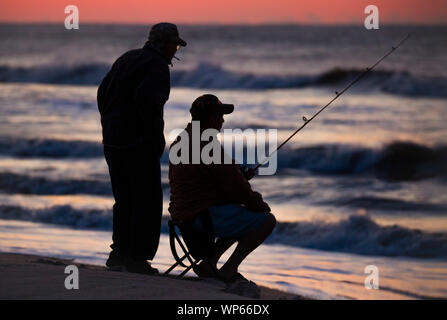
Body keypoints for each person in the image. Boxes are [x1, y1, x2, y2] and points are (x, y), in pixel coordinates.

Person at [97, 23, 186, 274]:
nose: (175, 50)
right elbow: (149, 103)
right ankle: (136, 258)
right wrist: (153, 138)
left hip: (113, 141)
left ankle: (119, 254)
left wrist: (110, 123)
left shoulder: (127, 58)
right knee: (147, 199)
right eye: (175, 45)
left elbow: (102, 93)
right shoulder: (156, 66)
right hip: (138, 143)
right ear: (165, 44)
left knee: (124, 199)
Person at [168, 94, 276, 284]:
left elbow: (217, 174)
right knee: (266, 221)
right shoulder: (208, 146)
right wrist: (258, 204)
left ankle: (209, 263)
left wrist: (238, 171)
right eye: (219, 115)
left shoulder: (183, 140)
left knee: (240, 212)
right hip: (201, 220)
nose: (222, 120)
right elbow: (238, 188)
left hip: (183, 217)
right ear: (210, 118)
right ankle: (228, 270)